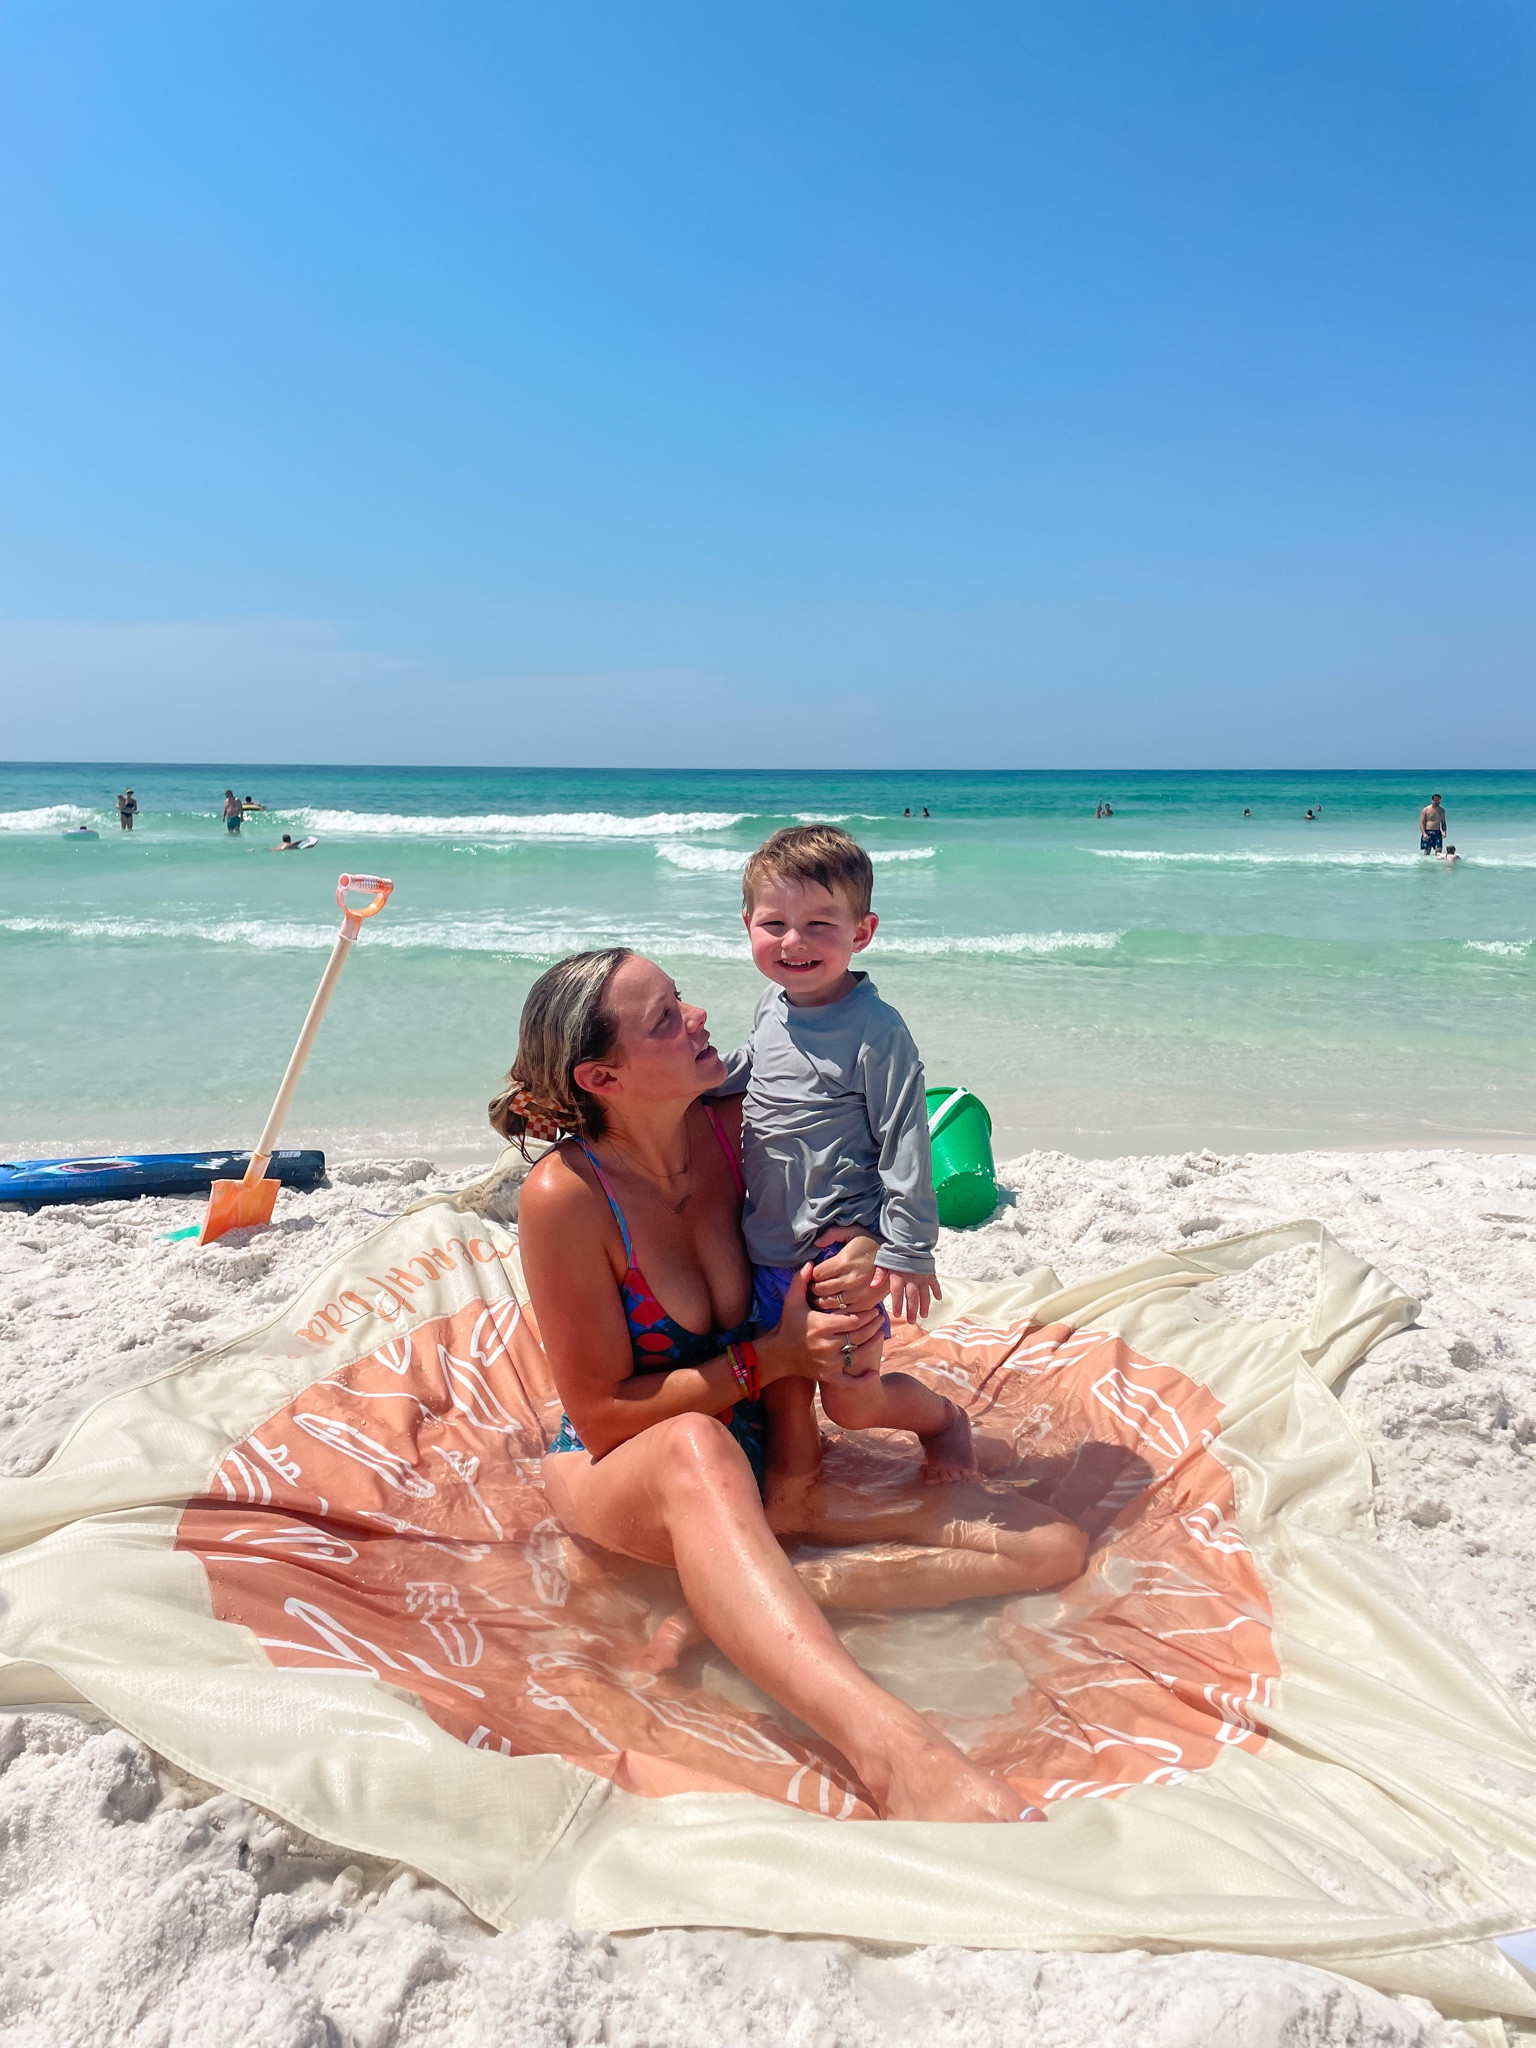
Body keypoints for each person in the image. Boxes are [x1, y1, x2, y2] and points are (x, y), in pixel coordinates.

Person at [500, 949, 1087, 1822]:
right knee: (697, 1448)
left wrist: (858, 1242)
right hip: (629, 1463)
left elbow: (870, 1156)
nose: (698, 1016)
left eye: (682, 1000)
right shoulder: (569, 1195)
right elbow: (601, 1413)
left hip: (776, 1465)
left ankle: (743, 1598)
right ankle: (897, 1754)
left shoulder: (742, 1125)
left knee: (1051, 1547)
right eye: (664, 1017)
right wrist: (768, 1361)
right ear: (601, 1076)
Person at [710, 828, 968, 1520]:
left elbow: (906, 1145)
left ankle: (943, 1422)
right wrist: (693, 1083)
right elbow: (754, 1068)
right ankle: (793, 1521)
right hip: (765, 1246)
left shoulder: (875, 1031)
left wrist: (909, 1248)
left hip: (835, 1254)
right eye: (775, 925)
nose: (794, 942)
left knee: (853, 1402)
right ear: (747, 927)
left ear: (863, 932)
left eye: (819, 925)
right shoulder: (772, 1004)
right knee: (786, 1394)